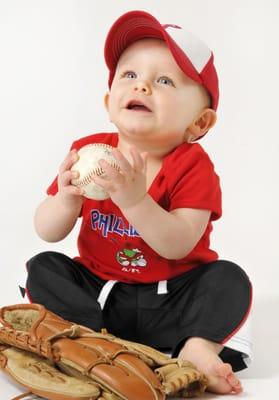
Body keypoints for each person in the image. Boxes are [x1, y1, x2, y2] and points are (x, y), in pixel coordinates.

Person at [24, 10, 252, 395]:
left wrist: (135, 201)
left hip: (173, 299)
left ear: (200, 123)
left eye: (164, 80)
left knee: (229, 280)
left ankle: (195, 349)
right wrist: (65, 199)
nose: (142, 86)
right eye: (129, 75)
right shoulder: (87, 155)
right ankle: (88, 343)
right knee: (42, 268)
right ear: (109, 100)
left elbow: (179, 243)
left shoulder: (193, 166)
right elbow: (46, 231)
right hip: (101, 297)